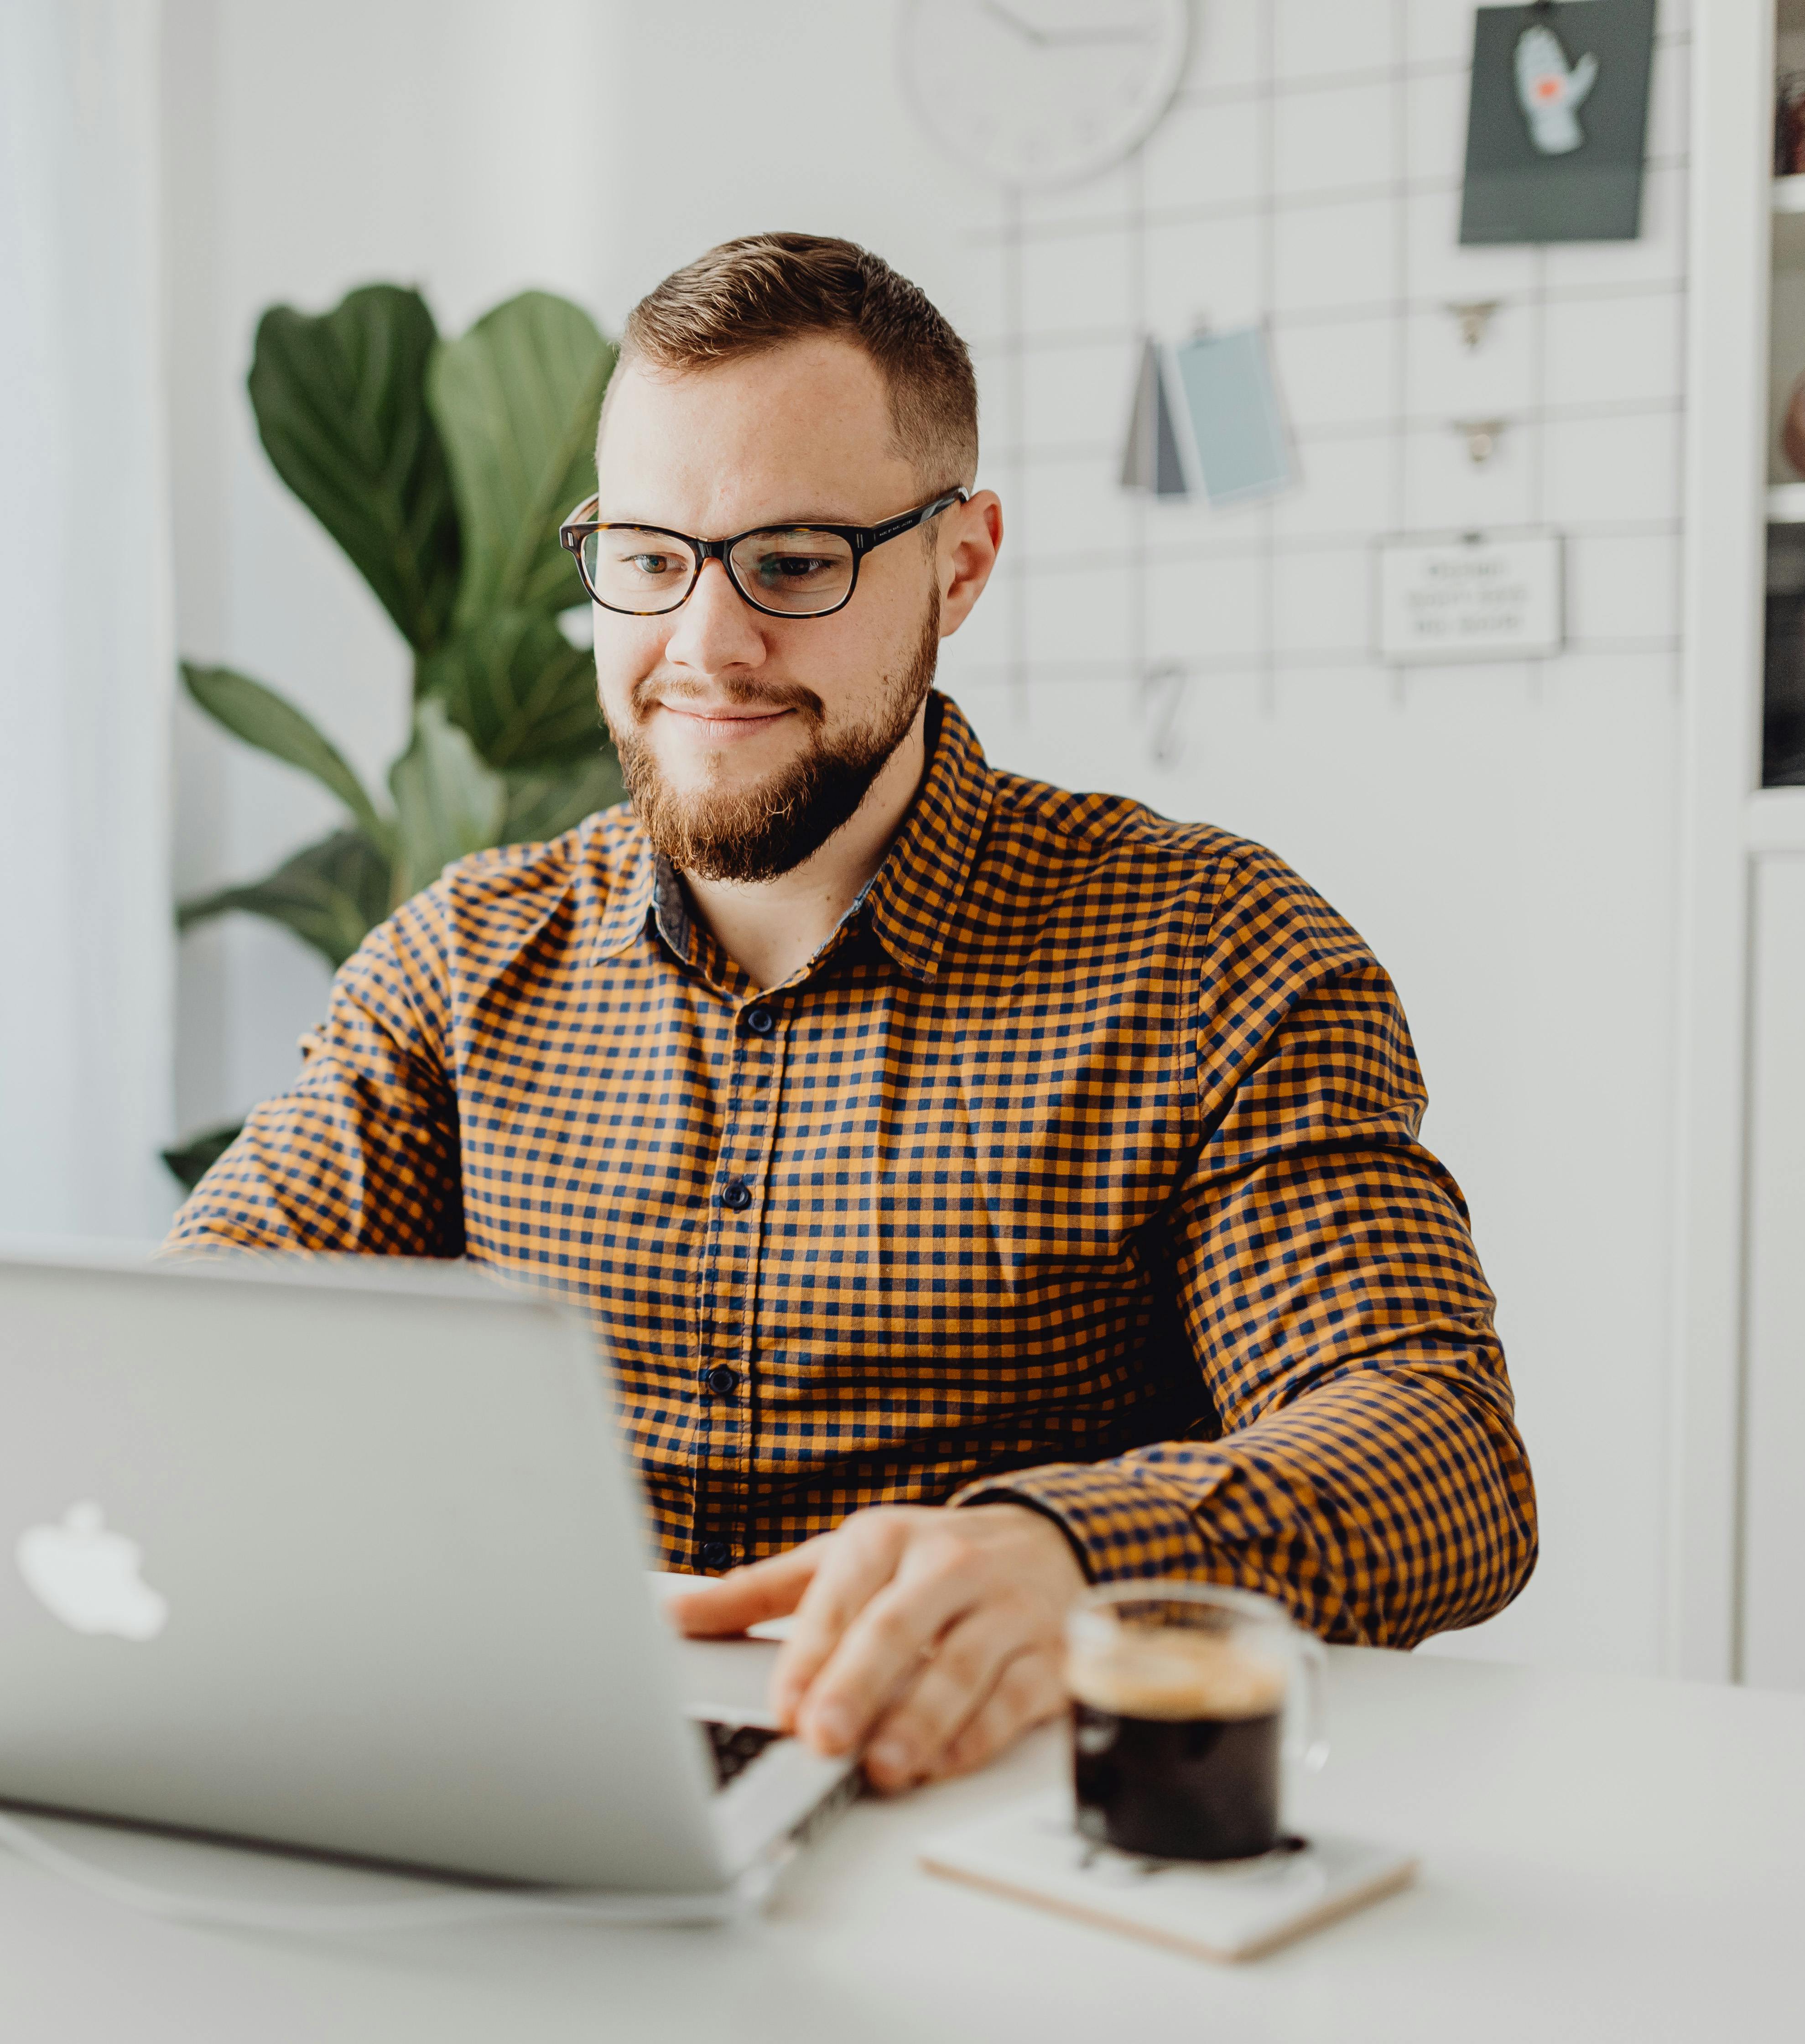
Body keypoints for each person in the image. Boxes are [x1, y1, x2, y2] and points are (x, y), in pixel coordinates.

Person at [168, 233, 1536, 1794]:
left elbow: (1437, 1454)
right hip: (534, 1810)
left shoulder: (1217, 958)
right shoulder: (457, 967)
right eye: (647, 556)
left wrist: (1062, 1552)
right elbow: (194, 1346)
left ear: (961, 564)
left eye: (795, 562)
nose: (705, 645)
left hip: (995, 1836)